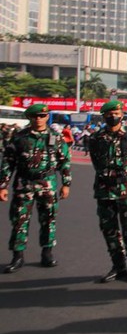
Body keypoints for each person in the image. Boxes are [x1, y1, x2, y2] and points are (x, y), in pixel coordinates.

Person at [0, 104, 71, 273]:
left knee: (48, 219)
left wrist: (66, 184)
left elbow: (64, 161)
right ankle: (18, 256)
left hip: (47, 183)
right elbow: (8, 163)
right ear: (29, 118)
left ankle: (47, 253)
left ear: (47, 117)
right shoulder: (19, 137)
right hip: (24, 183)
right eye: (35, 116)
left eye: (42, 115)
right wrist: (3, 185)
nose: (38, 119)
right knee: (19, 220)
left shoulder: (56, 137)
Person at [87, 101, 127, 283]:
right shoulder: (95, 139)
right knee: (109, 229)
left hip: (126, 189)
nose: (113, 116)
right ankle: (118, 266)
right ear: (103, 116)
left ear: (122, 113)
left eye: (116, 112)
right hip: (104, 189)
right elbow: (96, 163)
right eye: (109, 113)